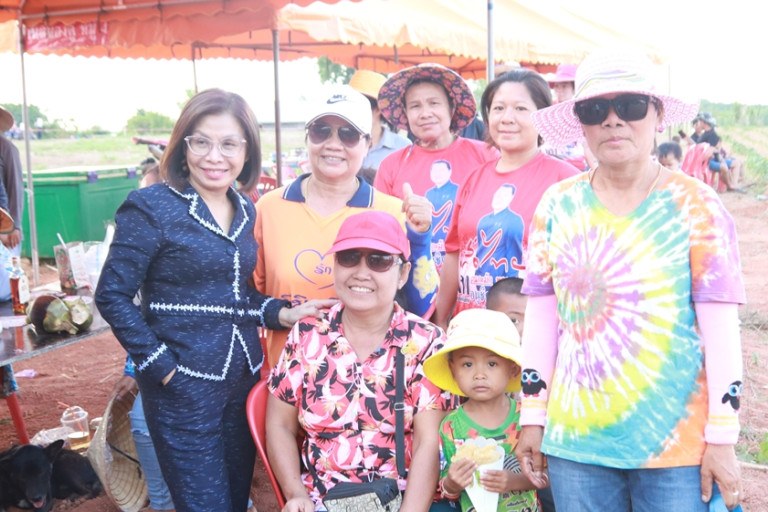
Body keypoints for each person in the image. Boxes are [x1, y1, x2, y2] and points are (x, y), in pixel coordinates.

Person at [515, 49, 746, 512]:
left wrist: (723, 436)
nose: (613, 120)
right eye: (595, 110)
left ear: (657, 115)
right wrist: (532, 416)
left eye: (632, 106)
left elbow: (722, 332)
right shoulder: (556, 205)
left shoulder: (698, 206)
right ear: (581, 123)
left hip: (677, 450)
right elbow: (540, 323)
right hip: (576, 446)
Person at [95, 88, 334, 512]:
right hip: (180, 386)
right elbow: (111, 295)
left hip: (241, 381)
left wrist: (282, 313)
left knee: (236, 499)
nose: (214, 156)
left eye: (228, 144)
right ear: (182, 145)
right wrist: (161, 367)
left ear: (247, 151)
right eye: (201, 142)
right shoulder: (151, 206)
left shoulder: (245, 209)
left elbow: (235, 297)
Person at [266, 210, 453, 512]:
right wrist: (295, 494)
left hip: (403, 501)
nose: (361, 272)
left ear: (403, 273)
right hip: (323, 501)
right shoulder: (307, 334)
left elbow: (428, 443)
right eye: (349, 257)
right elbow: (279, 424)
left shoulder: (426, 342)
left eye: (379, 260)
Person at [253, 85, 438, 370]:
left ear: (367, 144)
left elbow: (421, 307)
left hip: (371, 383)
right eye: (321, 131)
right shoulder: (269, 208)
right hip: (287, 381)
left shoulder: (392, 211)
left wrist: (420, 238)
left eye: (348, 134)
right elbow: (247, 299)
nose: (333, 144)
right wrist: (281, 315)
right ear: (307, 138)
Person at [434, 69, 578, 327]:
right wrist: (441, 319)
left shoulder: (566, 181)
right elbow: (455, 253)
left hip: (531, 332)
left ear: (543, 116)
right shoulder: (473, 179)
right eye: (498, 108)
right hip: (469, 330)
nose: (507, 118)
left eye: (521, 109)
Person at [374, 63, 498, 273]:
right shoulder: (391, 165)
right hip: (412, 280)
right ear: (406, 113)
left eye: (434, 103)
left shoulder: (486, 156)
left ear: (451, 108)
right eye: (415, 106)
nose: (425, 113)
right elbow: (381, 230)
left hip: (477, 277)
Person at [424, 308, 539, 512]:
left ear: (513, 369)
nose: (479, 374)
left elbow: (547, 475)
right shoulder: (451, 427)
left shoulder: (528, 419)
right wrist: (452, 483)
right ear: (453, 369)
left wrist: (515, 481)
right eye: (467, 364)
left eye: (492, 364)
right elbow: (447, 489)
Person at [348, 69, 411, 172]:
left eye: (359, 108)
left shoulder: (402, 147)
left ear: (378, 109)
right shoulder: (341, 143)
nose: (352, 113)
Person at [0, 105, 24, 302]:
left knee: (5, 290)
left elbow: (14, 188)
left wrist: (13, 226)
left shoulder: (6, 149)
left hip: (5, 228)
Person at [696, 112, 744, 192]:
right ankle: (731, 185)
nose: (699, 123)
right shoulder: (709, 134)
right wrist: (701, 159)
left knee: (736, 163)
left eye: (700, 121)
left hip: (710, 160)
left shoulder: (709, 135)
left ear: (704, 122)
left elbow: (713, 151)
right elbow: (711, 152)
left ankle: (733, 184)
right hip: (708, 162)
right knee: (726, 166)